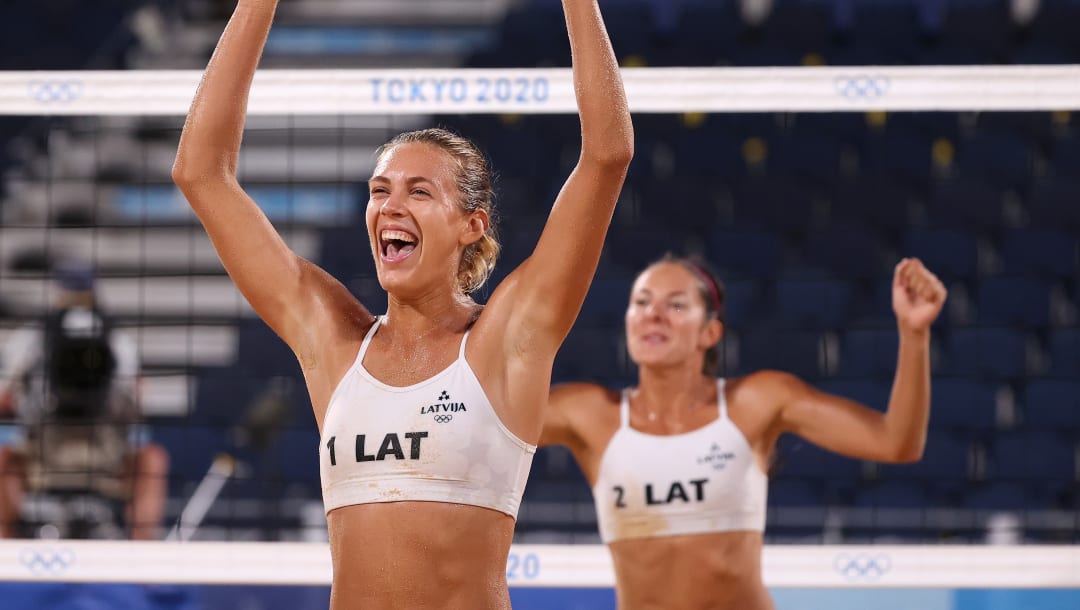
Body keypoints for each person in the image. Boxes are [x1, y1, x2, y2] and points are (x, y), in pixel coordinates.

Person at [171, 0, 632, 607]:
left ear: (472, 224)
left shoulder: (507, 339)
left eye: (419, 191)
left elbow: (607, 155)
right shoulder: (333, 342)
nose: (391, 205)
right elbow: (201, 172)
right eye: (379, 190)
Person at [540, 255, 947, 609]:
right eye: (642, 302)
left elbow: (897, 443)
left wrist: (914, 334)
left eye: (676, 305)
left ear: (710, 333)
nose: (654, 314)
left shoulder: (755, 403)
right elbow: (482, 420)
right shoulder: (590, 415)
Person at [0, 261, 169, 540]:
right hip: (85, 454)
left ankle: (142, 553)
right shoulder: (118, 342)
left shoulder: (28, 339)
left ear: (57, 293)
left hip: (77, 455)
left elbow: (6, 399)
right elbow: (136, 405)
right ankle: (5, 553)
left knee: (152, 459)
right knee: (151, 460)